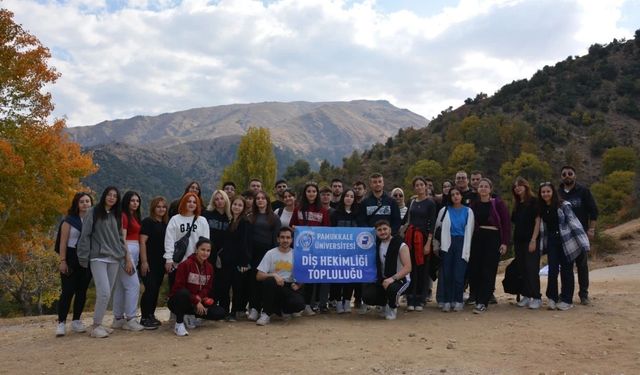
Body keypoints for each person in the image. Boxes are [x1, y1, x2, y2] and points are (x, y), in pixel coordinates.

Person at [77, 187, 133, 338]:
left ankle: (100, 324)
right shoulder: (93, 212)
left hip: (114, 258)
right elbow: (85, 235)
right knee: (104, 292)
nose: (112, 198)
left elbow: (120, 238)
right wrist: (83, 256)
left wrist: (124, 256)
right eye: (109, 194)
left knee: (108, 293)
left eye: (115, 196)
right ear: (104, 196)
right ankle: (95, 327)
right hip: (98, 257)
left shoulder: (117, 215)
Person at [535, 182, 589, 311]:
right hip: (552, 240)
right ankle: (552, 298)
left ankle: (566, 299)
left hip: (566, 239)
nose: (546, 194)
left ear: (553, 192)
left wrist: (583, 241)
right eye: (543, 192)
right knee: (552, 270)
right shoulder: (541, 208)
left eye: (548, 191)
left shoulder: (563, 205)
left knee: (567, 269)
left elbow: (573, 222)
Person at [167, 237, 226, 336]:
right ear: (196, 250)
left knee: (219, 312)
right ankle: (179, 324)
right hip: (179, 301)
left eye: (208, 251)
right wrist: (195, 300)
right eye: (202, 249)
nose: (205, 253)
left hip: (196, 303)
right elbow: (178, 287)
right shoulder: (185, 265)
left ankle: (191, 316)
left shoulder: (210, 267)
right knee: (183, 293)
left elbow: (208, 287)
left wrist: (200, 299)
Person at [468, 179, 511, 314]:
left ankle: (483, 302)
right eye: (481, 186)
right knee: (476, 269)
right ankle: (477, 297)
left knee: (489, 270)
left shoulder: (498, 203)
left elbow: (506, 223)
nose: (483, 189)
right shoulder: (474, 205)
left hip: (493, 238)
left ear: (490, 189)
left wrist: (504, 242)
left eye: (486, 186)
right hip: (478, 238)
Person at [557, 166, 598, 305]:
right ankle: (565, 294)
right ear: (561, 177)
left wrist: (591, 230)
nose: (567, 176)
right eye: (564, 174)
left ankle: (584, 294)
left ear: (575, 175)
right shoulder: (558, 193)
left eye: (570, 173)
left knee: (582, 266)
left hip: (580, 234)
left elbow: (593, 211)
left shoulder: (583, 191)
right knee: (565, 267)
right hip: (564, 236)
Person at [55, 192, 94, 337]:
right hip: (71, 257)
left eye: (88, 201)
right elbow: (63, 242)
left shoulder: (92, 220)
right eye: (82, 201)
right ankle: (61, 322)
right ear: (76, 204)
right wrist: (63, 261)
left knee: (82, 291)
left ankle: (77, 320)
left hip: (86, 258)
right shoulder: (69, 221)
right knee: (67, 291)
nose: (85, 204)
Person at [290, 182, 331, 314]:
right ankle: (298, 304)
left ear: (317, 194)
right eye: (309, 191)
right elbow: (292, 226)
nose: (311, 193)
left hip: (316, 250)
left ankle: (308, 305)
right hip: (300, 249)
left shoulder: (323, 211)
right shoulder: (298, 208)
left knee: (310, 277)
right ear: (305, 193)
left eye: (314, 191)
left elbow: (326, 231)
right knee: (299, 276)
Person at [434, 187, 475, 312]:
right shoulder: (444, 210)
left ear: (461, 196)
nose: (455, 196)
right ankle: (446, 300)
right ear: (450, 197)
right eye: (452, 195)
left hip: (462, 243)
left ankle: (458, 300)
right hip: (448, 244)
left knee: (459, 274)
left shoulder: (468, 211)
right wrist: (436, 245)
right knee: (447, 273)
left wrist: (468, 248)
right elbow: (437, 229)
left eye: (457, 194)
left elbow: (470, 231)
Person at [255, 227, 305, 325]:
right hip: (274, 286)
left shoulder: (297, 254)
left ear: (292, 240)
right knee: (269, 281)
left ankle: (283, 311)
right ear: (278, 239)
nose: (285, 240)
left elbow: (303, 276)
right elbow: (258, 276)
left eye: (288, 237)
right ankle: (266, 314)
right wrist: (273, 275)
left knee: (299, 304)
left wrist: (298, 285)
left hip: (289, 286)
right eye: (282, 237)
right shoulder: (270, 253)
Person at [362, 220, 412, 320]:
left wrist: (392, 278)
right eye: (379, 230)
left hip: (401, 279)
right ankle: (383, 304)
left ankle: (393, 307)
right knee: (368, 294)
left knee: (392, 288)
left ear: (390, 230)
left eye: (385, 229)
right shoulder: (376, 245)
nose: (382, 232)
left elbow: (408, 268)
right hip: (383, 278)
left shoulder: (401, 245)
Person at [111, 191, 145, 331]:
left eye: (137, 201)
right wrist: (128, 259)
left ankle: (118, 318)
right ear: (126, 201)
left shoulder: (133, 216)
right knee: (133, 285)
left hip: (132, 252)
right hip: (127, 253)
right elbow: (122, 238)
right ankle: (130, 319)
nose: (135, 203)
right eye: (132, 200)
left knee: (120, 286)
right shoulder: (124, 216)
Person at [164, 192, 210, 292]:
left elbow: (206, 242)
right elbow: (169, 240)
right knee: (177, 291)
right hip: (178, 263)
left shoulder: (202, 221)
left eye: (194, 202)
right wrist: (168, 259)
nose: (191, 204)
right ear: (184, 202)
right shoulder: (175, 219)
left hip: (195, 263)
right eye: (189, 201)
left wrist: (202, 260)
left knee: (193, 292)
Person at [402, 177, 437, 311]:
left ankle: (420, 299)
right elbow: (406, 220)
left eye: (421, 184)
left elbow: (432, 224)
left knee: (422, 269)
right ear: (414, 187)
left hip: (422, 239)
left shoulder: (430, 203)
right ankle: (410, 298)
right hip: (410, 238)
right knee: (411, 269)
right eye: (417, 185)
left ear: (425, 187)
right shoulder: (411, 201)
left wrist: (428, 243)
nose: (419, 187)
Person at [246, 191, 282, 321]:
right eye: (258, 198)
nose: (260, 200)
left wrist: (274, 255)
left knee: (266, 282)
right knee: (253, 281)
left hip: (268, 253)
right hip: (254, 253)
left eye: (263, 198)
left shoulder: (274, 218)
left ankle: (265, 309)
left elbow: (276, 238)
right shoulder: (250, 217)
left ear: (267, 201)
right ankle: (254, 308)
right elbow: (247, 238)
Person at [330, 188, 365, 314]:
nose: (349, 198)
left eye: (351, 196)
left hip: (352, 252)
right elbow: (330, 232)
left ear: (354, 199)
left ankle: (347, 301)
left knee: (350, 277)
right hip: (337, 251)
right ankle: (338, 302)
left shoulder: (358, 214)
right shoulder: (335, 214)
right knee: (337, 278)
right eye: (347, 196)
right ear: (343, 197)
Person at [510, 177, 541, 309]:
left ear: (526, 186)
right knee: (522, 268)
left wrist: (533, 240)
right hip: (519, 241)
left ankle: (536, 297)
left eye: (520, 185)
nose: (517, 188)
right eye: (515, 186)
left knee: (531, 268)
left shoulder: (534, 202)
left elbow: (537, 221)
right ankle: (526, 295)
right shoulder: (517, 204)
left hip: (531, 240)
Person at [219, 196, 251, 321]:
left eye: (239, 205)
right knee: (225, 286)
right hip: (227, 260)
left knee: (237, 288)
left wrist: (244, 262)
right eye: (235, 204)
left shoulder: (245, 222)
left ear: (243, 208)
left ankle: (234, 313)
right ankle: (224, 311)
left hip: (239, 262)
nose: (236, 207)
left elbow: (246, 243)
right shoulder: (230, 220)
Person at [139, 196, 168, 329]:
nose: (161, 209)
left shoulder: (165, 224)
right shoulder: (148, 222)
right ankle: (144, 317)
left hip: (160, 263)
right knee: (149, 288)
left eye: (163, 206)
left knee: (156, 289)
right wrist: (144, 262)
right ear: (153, 208)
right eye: (158, 206)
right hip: (148, 262)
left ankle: (151, 315)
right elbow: (142, 242)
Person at [202, 190, 231, 273]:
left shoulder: (230, 216)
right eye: (216, 199)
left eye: (222, 198)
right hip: (208, 252)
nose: (219, 201)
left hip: (224, 254)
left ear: (226, 199)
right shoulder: (207, 214)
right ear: (213, 201)